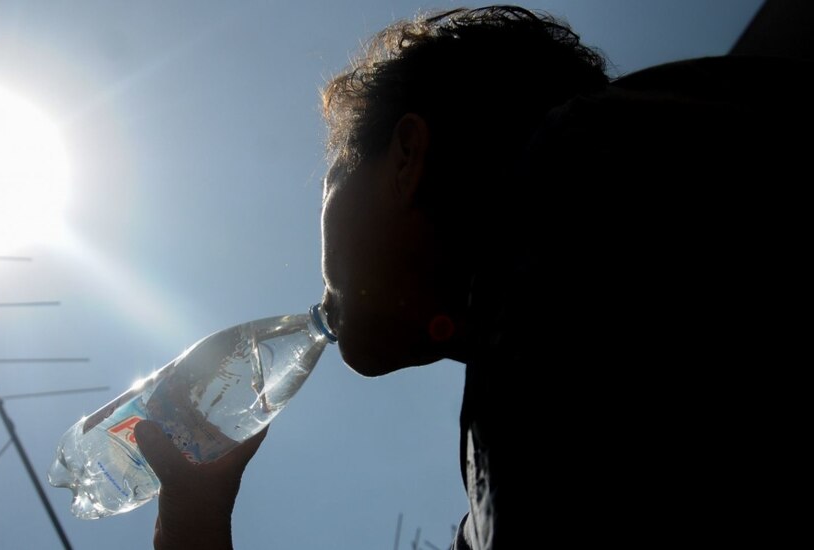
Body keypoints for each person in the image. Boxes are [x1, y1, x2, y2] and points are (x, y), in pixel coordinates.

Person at [136, 5, 812, 549]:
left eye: (336, 173)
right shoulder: (504, 400)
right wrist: (191, 513)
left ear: (406, 155)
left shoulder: (608, 171)